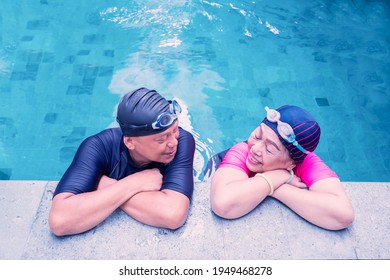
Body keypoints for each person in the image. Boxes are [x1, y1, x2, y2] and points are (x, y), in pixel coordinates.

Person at [49, 88, 195, 236]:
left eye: (174, 130)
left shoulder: (183, 140)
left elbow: (173, 214)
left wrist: (102, 184)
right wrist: (134, 183)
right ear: (130, 142)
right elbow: (60, 221)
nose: (173, 143)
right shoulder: (98, 147)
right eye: (161, 139)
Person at [210, 105, 354, 230]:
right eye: (258, 135)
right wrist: (280, 176)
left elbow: (343, 215)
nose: (255, 148)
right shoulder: (243, 151)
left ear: (291, 164)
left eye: (269, 149)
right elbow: (223, 203)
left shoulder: (307, 162)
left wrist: (275, 187)